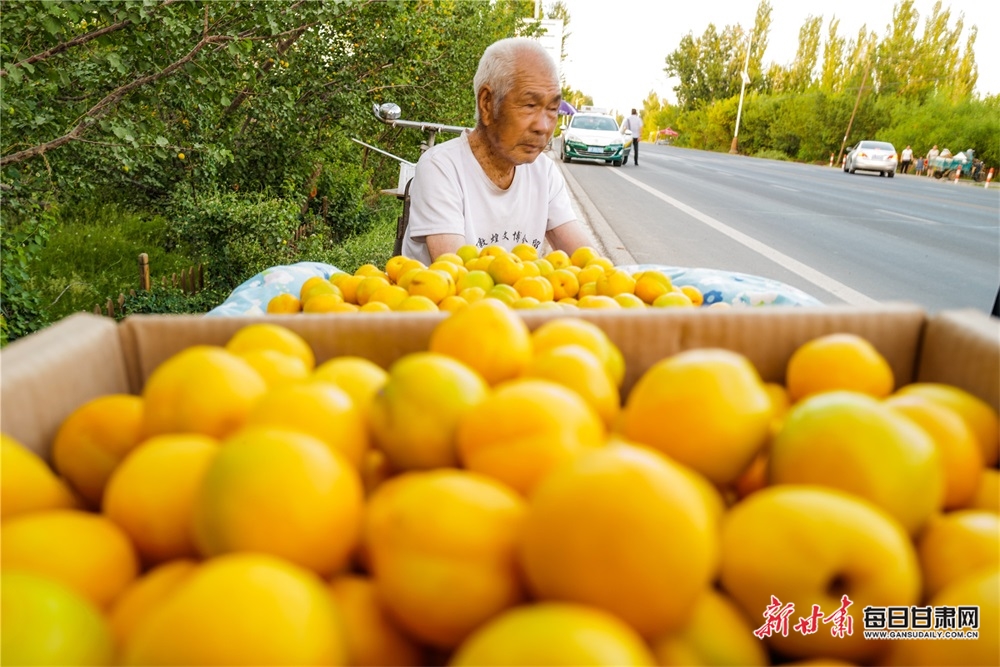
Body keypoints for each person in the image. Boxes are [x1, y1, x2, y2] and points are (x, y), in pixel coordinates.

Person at [400, 37, 592, 265]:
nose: (543, 126)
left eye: (552, 109)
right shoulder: (441, 167)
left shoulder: (545, 173)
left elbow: (589, 263)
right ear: (487, 103)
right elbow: (456, 276)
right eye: (529, 106)